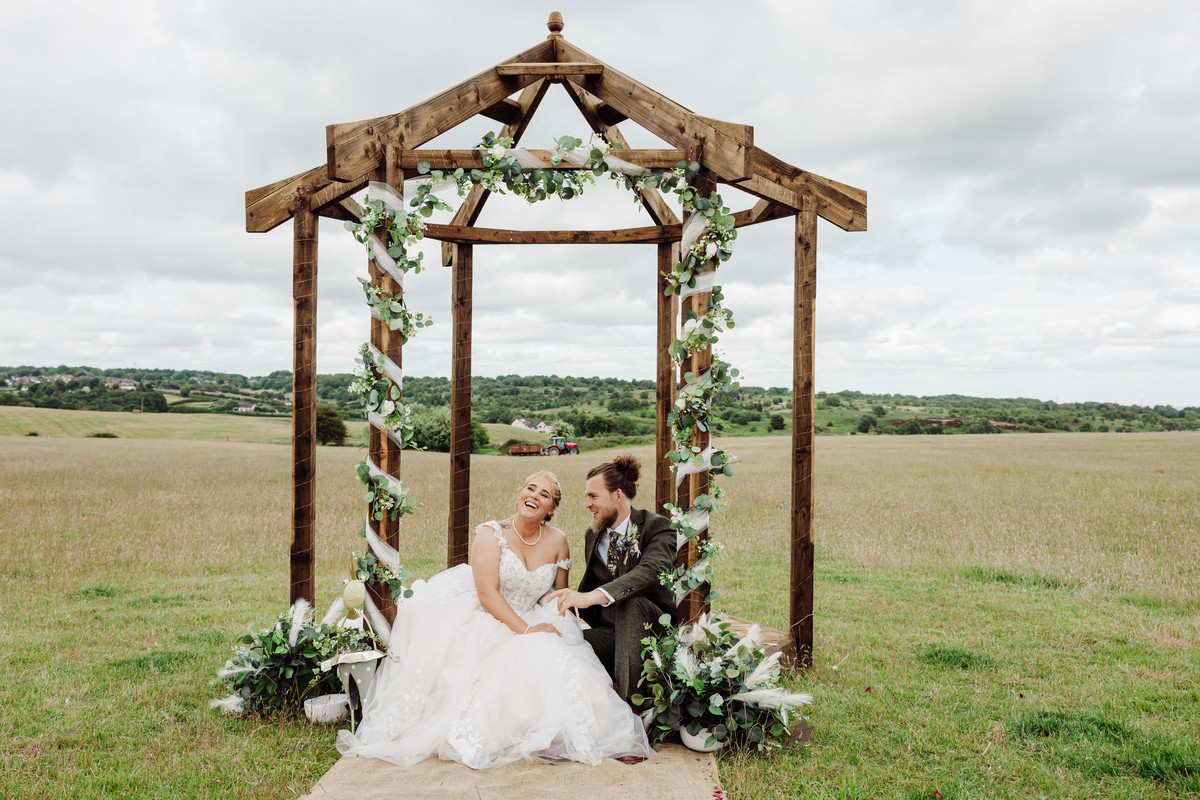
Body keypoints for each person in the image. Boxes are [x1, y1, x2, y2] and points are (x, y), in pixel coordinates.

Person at [336, 471, 652, 770]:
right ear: (520, 493)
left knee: (560, 659)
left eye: (544, 494)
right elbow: (487, 594)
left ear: (551, 509)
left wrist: (566, 627)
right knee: (508, 666)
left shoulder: (558, 541)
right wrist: (526, 630)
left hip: (532, 614)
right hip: (487, 617)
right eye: (530, 488)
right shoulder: (490, 534)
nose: (534, 495)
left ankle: (569, 731)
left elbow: (556, 595)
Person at [548, 456, 675, 705]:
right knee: (562, 647)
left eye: (593, 496)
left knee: (631, 602)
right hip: (609, 631)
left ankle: (633, 708)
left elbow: (650, 570)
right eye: (587, 497)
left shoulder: (658, 527)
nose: (587, 504)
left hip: (651, 634)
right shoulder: (593, 533)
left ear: (617, 495)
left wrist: (591, 596)